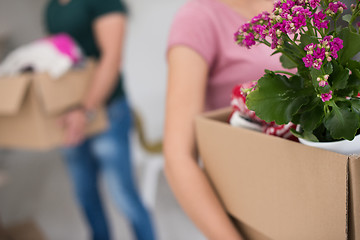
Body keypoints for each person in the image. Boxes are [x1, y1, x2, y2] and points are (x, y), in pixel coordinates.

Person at [164, 0, 285, 239]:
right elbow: (178, 157)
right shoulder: (197, 18)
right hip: (253, 201)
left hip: (314, 185)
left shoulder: (293, 7)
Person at [44, 0, 156, 240]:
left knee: (123, 195)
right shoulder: (52, 7)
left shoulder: (103, 2)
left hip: (107, 111)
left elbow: (112, 58)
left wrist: (86, 110)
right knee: (85, 195)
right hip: (69, 115)